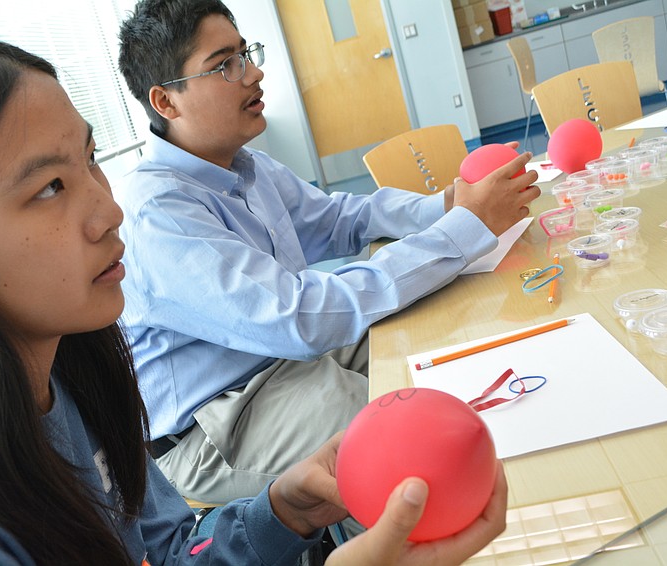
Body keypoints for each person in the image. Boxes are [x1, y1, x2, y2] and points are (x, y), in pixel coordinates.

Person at [0, 36, 509, 565]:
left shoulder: (66, 375)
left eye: (90, 161)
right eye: (50, 188)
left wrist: (281, 511)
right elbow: (299, 317)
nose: (107, 212)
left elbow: (172, 550)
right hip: (234, 407)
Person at [115, 0, 540, 506]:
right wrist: (461, 231)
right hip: (217, 423)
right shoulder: (156, 212)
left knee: (444, 332)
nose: (254, 72)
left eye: (246, 53)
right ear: (166, 101)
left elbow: (344, 218)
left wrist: (445, 206)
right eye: (226, 64)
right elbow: (300, 315)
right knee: (409, 437)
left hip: (279, 357)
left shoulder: (246, 166)